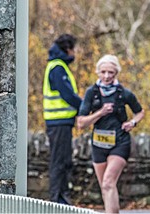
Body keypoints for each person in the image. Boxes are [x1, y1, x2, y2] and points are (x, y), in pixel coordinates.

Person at [77, 54, 145, 214]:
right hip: (99, 144)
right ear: (97, 72)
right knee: (105, 187)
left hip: (120, 142)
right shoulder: (91, 93)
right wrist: (100, 112)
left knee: (108, 182)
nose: (107, 76)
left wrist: (132, 122)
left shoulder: (124, 93)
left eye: (111, 73)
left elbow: (140, 112)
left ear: (116, 73)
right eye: (103, 72)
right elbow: (81, 123)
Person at [43, 33, 82, 205]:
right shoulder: (58, 68)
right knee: (59, 161)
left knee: (64, 160)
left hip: (61, 122)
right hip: (58, 121)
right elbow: (67, 95)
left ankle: (62, 200)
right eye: (74, 49)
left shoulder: (57, 66)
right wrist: (86, 107)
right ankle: (58, 200)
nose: (75, 53)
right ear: (67, 49)